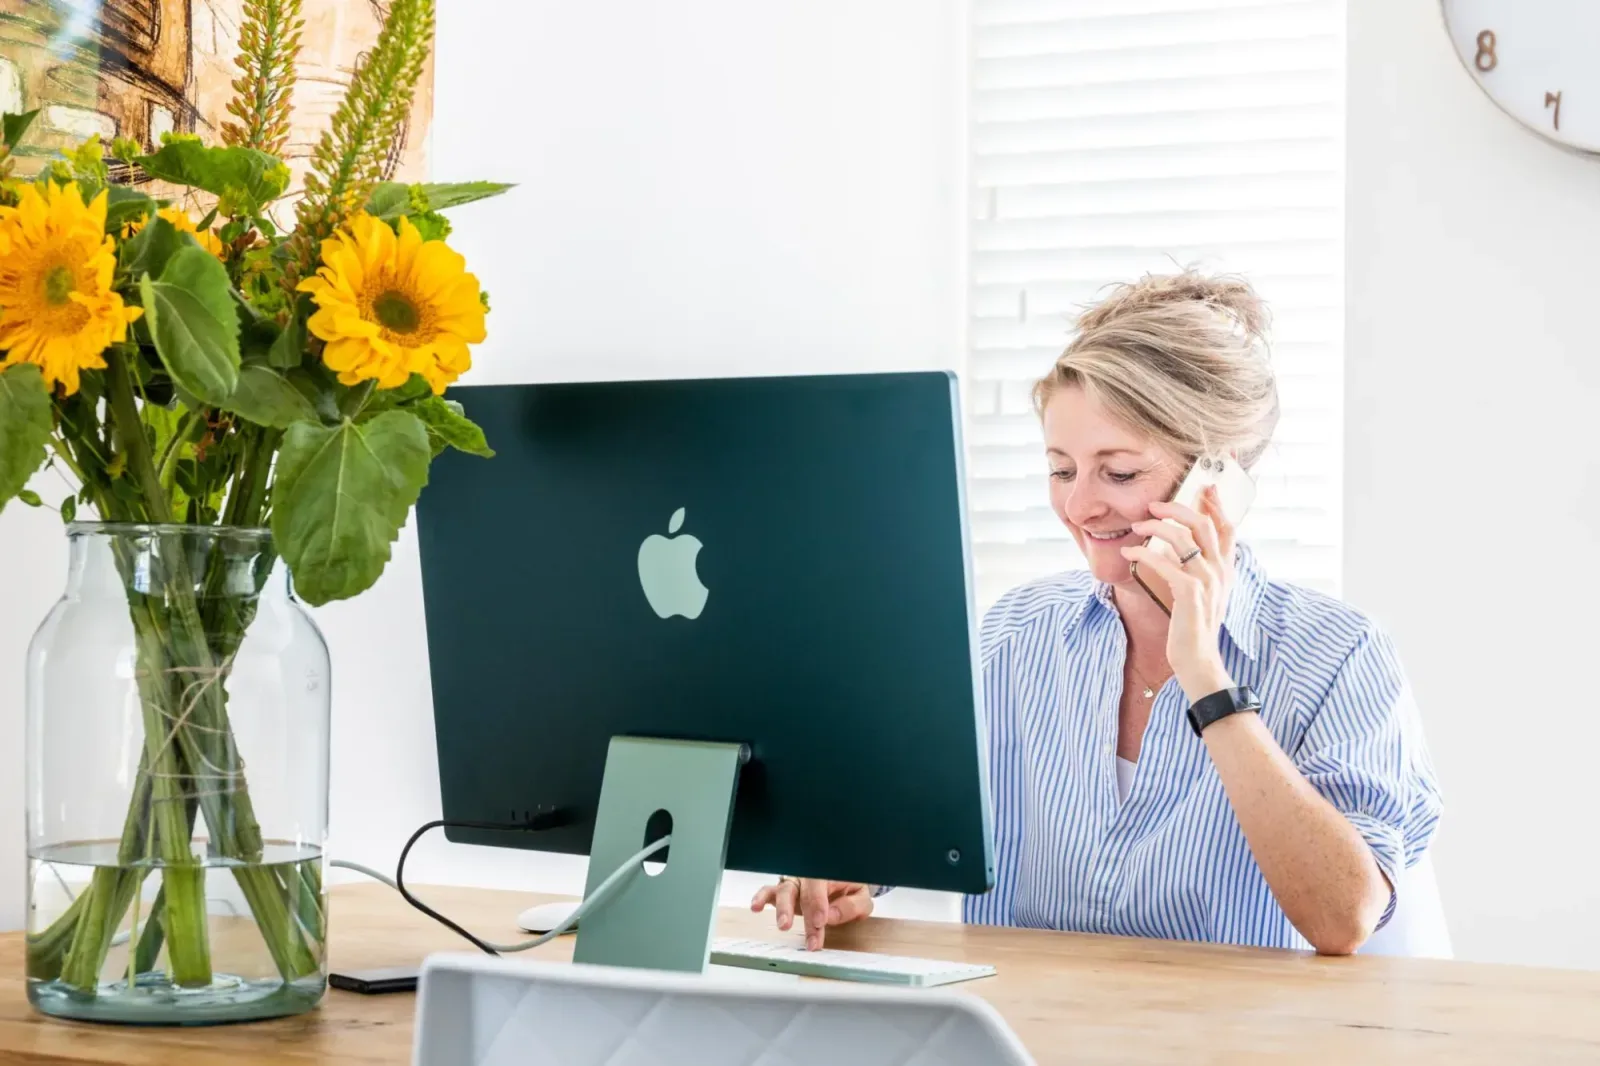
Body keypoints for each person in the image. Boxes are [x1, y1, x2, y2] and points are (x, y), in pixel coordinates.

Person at [752, 270, 1442, 956]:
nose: (1081, 507)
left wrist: (1205, 676)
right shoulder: (1017, 636)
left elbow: (1343, 917)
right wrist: (847, 871)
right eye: (1061, 469)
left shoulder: (1339, 656)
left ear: (1217, 481)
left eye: (1118, 473)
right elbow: (905, 823)